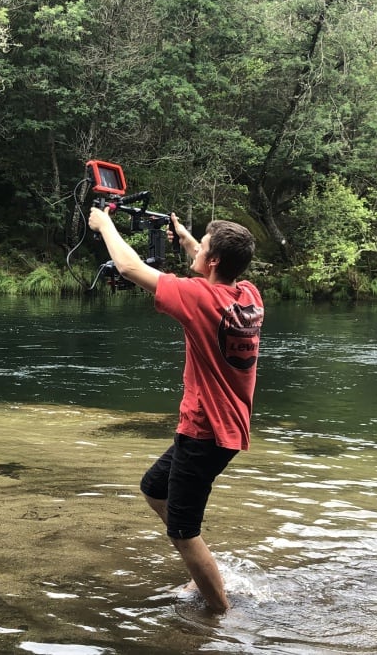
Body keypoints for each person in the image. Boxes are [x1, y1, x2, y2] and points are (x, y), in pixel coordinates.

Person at [88, 206, 263, 613]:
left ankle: (222, 614)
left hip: (204, 433)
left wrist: (105, 225)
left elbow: (129, 267)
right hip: (228, 429)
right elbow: (206, 270)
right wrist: (186, 237)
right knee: (154, 488)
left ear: (214, 260)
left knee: (183, 531)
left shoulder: (199, 298)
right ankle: (202, 566)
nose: (196, 249)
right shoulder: (248, 296)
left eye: (202, 246)